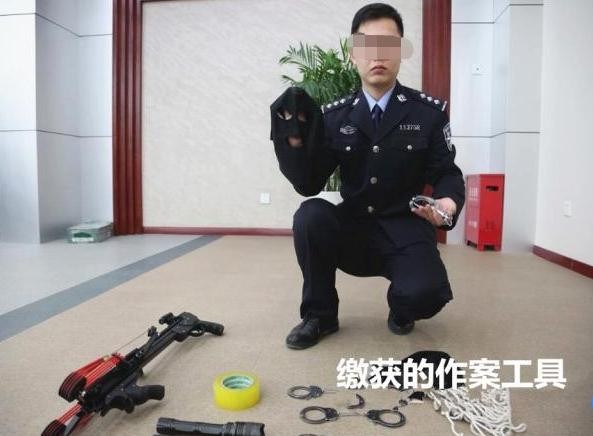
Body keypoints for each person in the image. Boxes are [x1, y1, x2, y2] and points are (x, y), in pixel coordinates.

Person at [269, 3, 465, 350]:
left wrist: (447, 203)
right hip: (354, 229)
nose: (377, 54)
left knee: (427, 293)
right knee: (310, 216)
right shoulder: (334, 117)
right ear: (353, 54)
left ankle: (402, 307)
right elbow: (309, 183)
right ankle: (319, 315)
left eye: (387, 44)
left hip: (405, 228)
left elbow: (446, 171)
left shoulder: (428, 113)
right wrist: (295, 140)